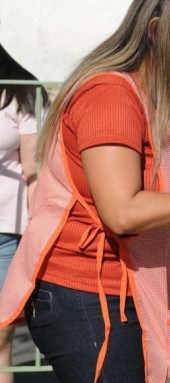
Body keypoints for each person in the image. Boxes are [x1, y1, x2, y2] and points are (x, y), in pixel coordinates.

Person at [0, 1, 170, 382]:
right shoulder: (110, 96)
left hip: (120, 292)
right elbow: (123, 212)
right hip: (86, 296)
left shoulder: (144, 95)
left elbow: (142, 187)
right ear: (158, 31)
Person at [0, 43, 49, 383]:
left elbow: (33, 168)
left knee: (0, 333)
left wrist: (39, 229)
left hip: (5, 231)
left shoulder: (20, 95)